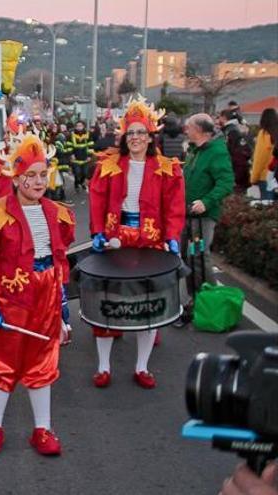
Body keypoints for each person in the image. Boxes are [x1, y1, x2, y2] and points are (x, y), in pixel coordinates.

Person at [0, 133, 75, 456]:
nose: (39, 181)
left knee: (43, 361)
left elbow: (60, 258)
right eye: (31, 175)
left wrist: (63, 303)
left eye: (44, 174)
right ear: (16, 177)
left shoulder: (58, 213)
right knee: (3, 362)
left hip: (47, 294)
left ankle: (42, 429)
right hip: (11, 297)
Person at [88, 97, 186, 389]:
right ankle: (103, 367)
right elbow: (97, 199)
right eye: (131, 133)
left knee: (148, 306)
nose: (135, 138)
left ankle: (142, 367)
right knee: (107, 301)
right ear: (124, 137)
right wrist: (96, 232)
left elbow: (174, 207)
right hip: (115, 239)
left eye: (141, 133)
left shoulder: (168, 168)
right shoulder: (108, 165)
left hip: (150, 242)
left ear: (150, 136)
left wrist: (171, 237)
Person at [179, 113, 235, 320]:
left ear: (200, 130)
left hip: (203, 217)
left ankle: (208, 302)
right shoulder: (195, 150)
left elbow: (226, 182)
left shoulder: (216, 151)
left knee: (200, 258)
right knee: (188, 257)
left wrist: (207, 201)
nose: (186, 130)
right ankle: (195, 299)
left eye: (189, 126)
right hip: (188, 215)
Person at [220, 109, 253, 193]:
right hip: (238, 173)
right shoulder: (234, 129)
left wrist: (235, 177)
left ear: (223, 117)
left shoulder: (232, 131)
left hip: (237, 175)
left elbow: (239, 154)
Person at [251, 108, 277, 200]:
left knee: (267, 209)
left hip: (266, 177)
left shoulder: (264, 134)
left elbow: (260, 159)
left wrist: (254, 177)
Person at [69, 120, 94, 192]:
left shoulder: (88, 134)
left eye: (80, 126)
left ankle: (82, 182)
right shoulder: (72, 134)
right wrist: (71, 154)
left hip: (85, 158)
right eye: (77, 126)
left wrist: (89, 156)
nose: (79, 127)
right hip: (75, 158)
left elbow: (91, 145)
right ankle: (76, 184)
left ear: (83, 126)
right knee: (77, 173)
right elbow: (69, 145)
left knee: (85, 173)